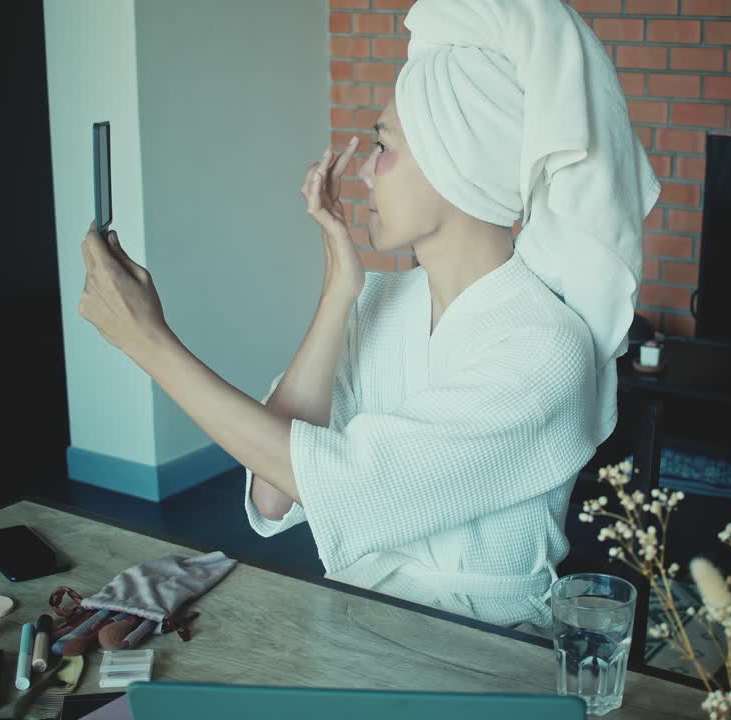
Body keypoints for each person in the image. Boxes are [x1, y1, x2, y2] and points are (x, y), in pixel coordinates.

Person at [78, 0, 661, 636]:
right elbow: (274, 492)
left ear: (454, 164)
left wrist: (149, 343)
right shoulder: (380, 302)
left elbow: (346, 482)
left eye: (382, 146)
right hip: (357, 625)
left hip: (490, 653)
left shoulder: (545, 348)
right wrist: (339, 294)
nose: (362, 171)